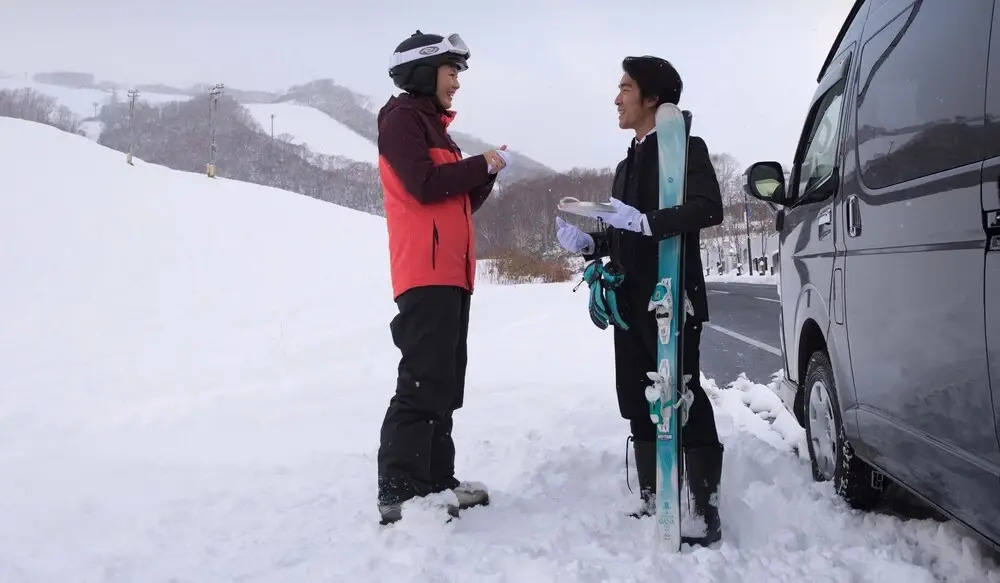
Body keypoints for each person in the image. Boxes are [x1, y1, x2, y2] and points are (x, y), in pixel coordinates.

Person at [555, 55, 725, 546]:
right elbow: (623, 232)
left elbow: (708, 208)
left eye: (626, 88)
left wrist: (649, 222)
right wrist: (592, 244)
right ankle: (655, 494)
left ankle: (703, 509)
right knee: (637, 395)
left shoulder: (687, 149)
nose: (617, 98)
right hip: (628, 302)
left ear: (652, 98)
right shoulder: (625, 165)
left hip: (672, 299)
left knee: (683, 394)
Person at [375, 30, 511, 525]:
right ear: (422, 71)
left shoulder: (435, 127)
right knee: (422, 378)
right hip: (424, 271)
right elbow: (425, 185)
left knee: (445, 381)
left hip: (452, 272)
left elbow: (460, 200)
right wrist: (479, 163)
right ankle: (400, 491)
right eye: (451, 71)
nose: (456, 82)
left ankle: (435, 482)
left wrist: (486, 173)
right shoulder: (401, 120)